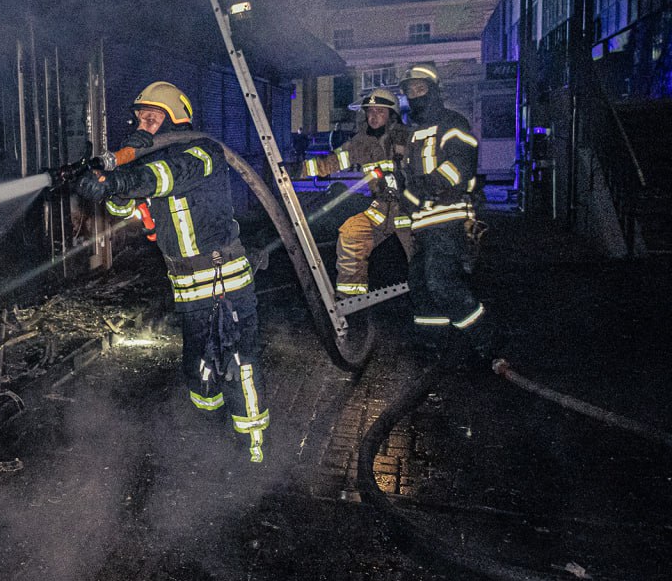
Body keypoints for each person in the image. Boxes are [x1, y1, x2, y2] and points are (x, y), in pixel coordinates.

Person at [73, 81, 269, 462]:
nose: (143, 125)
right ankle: (210, 433)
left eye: (152, 118)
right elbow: (120, 210)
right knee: (198, 366)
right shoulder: (145, 166)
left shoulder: (202, 152)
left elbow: (165, 177)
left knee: (239, 361)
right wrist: (110, 184)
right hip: (187, 288)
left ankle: (253, 445)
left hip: (223, 278)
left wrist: (121, 178)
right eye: (140, 119)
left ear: (175, 119)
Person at [397, 65, 497, 365]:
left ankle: (488, 341)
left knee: (441, 283)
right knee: (421, 286)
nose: (414, 95)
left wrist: (430, 184)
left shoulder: (453, 122)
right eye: (409, 91)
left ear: (434, 90)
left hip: (451, 218)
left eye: (420, 89)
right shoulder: (413, 136)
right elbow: (412, 186)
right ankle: (432, 344)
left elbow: (461, 164)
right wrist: (404, 196)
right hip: (425, 223)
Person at [294, 88, 413, 297]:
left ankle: (427, 292)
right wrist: (297, 170)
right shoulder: (361, 141)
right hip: (382, 208)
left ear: (392, 115)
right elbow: (334, 161)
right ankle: (351, 296)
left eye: (380, 112)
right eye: (370, 111)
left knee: (421, 254)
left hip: (410, 207)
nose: (374, 117)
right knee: (352, 232)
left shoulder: (408, 138)